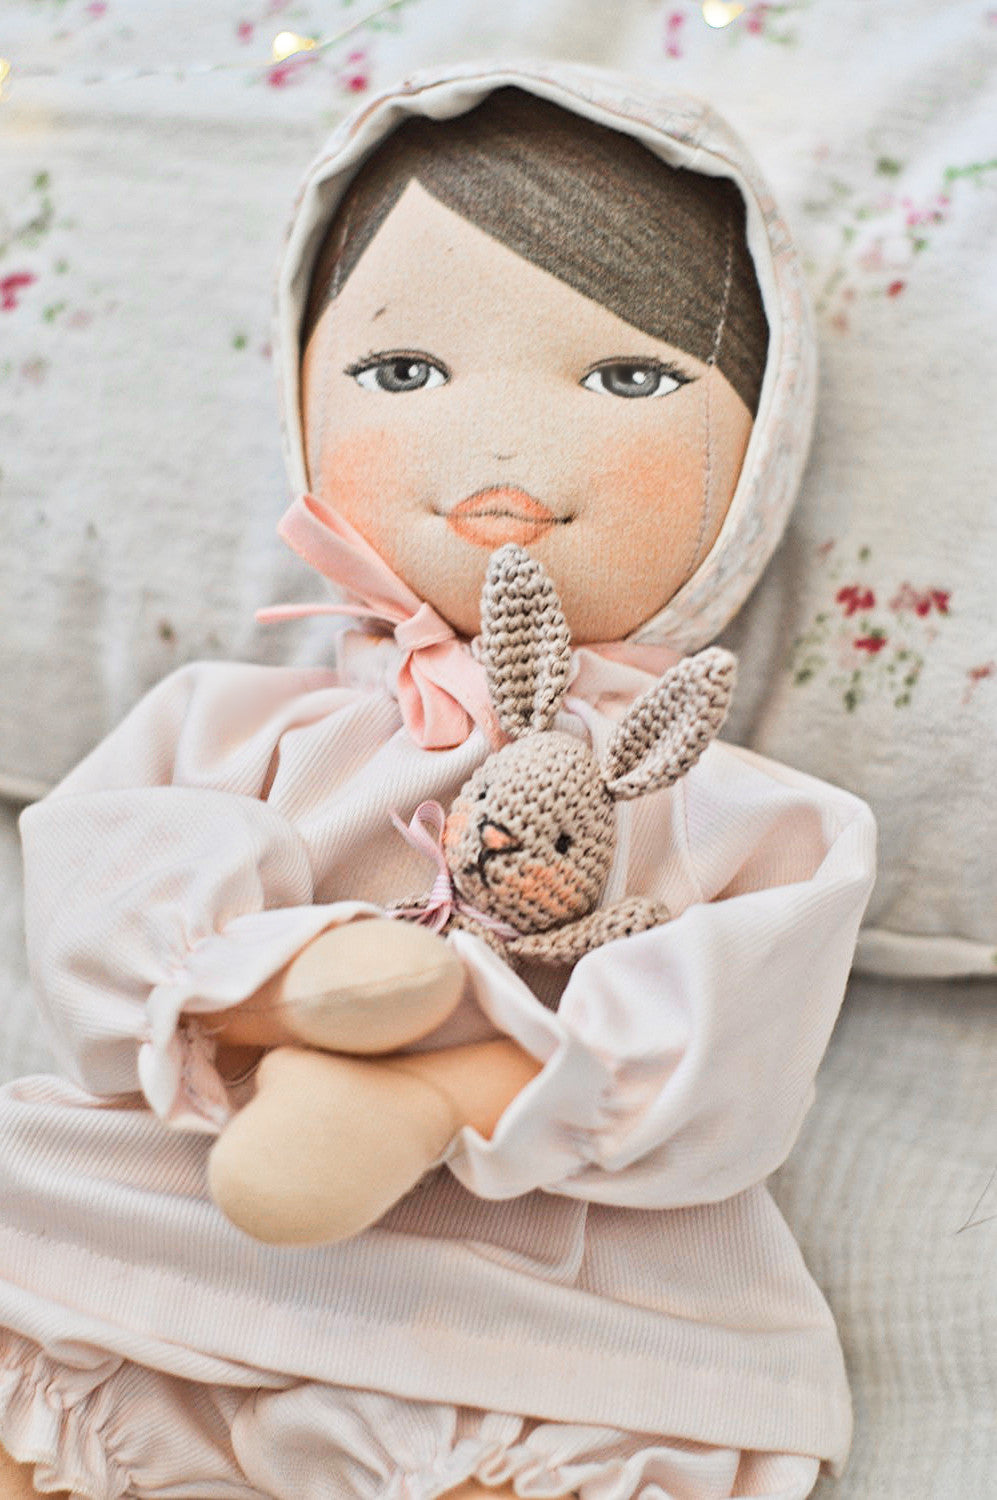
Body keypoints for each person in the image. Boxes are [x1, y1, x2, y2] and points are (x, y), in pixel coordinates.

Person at [0, 65, 875, 1499]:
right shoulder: (239, 721)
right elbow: (105, 892)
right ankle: (317, 1011)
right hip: (196, 1188)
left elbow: (732, 1048)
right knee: (43, 1260)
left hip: (560, 1270)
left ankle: (426, 1094)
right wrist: (277, 983)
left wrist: (461, 1083)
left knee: (572, 1412)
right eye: (403, 374)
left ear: (759, 450)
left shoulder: (743, 808)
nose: (504, 442)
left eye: (630, 380)